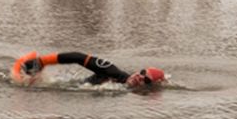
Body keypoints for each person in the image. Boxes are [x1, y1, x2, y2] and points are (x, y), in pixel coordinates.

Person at [13, 51, 167, 89]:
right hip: (68, 87)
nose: (140, 77)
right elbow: (79, 57)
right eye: (142, 72)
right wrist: (42, 61)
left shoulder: (130, 94)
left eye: (146, 80)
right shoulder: (112, 71)